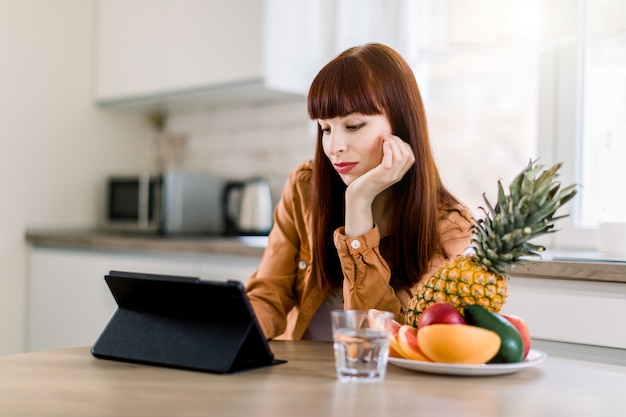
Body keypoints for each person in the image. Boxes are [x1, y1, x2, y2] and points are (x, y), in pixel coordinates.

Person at [245, 43, 473, 341]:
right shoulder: (304, 187)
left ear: (401, 125)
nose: (333, 147)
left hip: (382, 382)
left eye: (353, 126)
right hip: (301, 379)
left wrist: (359, 204)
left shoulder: (449, 226)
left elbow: (382, 339)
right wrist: (225, 332)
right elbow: (268, 295)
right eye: (326, 129)